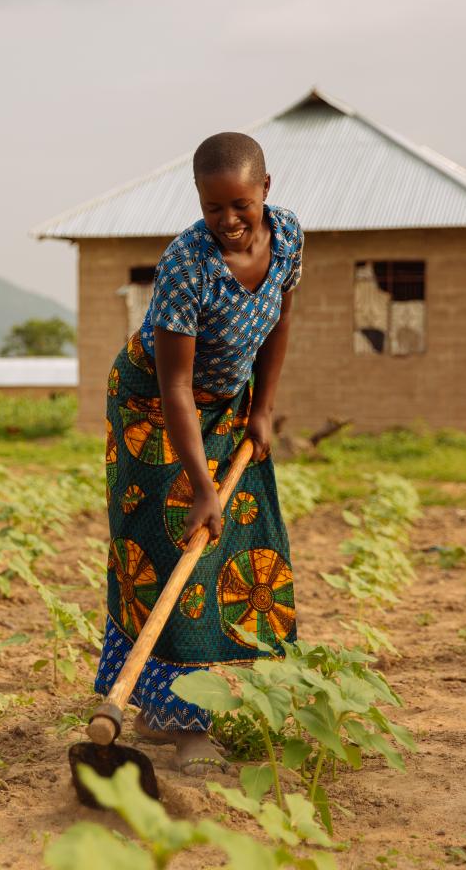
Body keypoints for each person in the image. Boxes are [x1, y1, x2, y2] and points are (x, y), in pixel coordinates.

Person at [93, 131, 302, 775]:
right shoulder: (187, 265)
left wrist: (262, 407)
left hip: (226, 406)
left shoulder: (288, 236)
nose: (229, 221)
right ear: (198, 203)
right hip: (153, 412)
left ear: (266, 190)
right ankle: (180, 725)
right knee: (168, 547)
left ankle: (176, 706)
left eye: (241, 204)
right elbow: (174, 384)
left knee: (230, 546)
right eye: (214, 208)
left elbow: (280, 318)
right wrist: (200, 486)